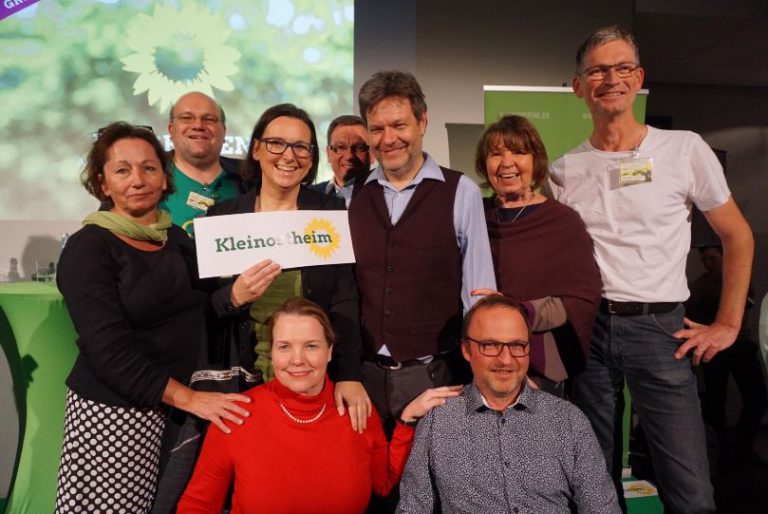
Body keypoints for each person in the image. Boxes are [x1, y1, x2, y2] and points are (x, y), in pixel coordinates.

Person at [549, 26, 754, 513]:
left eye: (622, 68)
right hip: (590, 330)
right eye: (597, 70)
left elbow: (738, 235)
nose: (611, 79)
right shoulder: (563, 169)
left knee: (690, 492)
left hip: (662, 329)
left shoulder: (684, 148)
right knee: (594, 483)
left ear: (638, 79)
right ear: (579, 86)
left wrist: (728, 324)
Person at [54, 122, 251, 513]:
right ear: (103, 183)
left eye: (149, 168)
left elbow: (205, 306)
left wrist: (236, 295)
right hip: (114, 415)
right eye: (122, 170)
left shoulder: (176, 239)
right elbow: (109, 351)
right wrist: (189, 398)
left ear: (166, 179)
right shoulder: (88, 248)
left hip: (170, 411)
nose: (137, 180)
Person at [177, 297, 461, 514]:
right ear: (271, 353)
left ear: (329, 351)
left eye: (311, 346)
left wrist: (407, 421)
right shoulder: (239, 413)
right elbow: (198, 505)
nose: (297, 359)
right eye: (285, 346)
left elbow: (384, 483)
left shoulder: (355, 409)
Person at [207, 103, 372, 432]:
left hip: (312, 380)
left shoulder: (328, 211)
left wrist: (350, 375)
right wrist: (233, 296)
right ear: (256, 149)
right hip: (242, 382)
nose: (288, 155)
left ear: (311, 158)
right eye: (276, 143)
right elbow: (203, 308)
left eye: (300, 147)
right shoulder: (223, 217)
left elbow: (344, 300)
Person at [349, 70, 496, 434]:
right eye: (377, 128)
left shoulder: (461, 192)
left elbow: (478, 293)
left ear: (423, 121)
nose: (389, 139)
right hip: (363, 382)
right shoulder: (351, 197)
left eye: (399, 125)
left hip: (435, 377)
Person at [396, 295, 620, 514]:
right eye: (490, 345)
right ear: (466, 350)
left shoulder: (567, 420)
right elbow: (413, 506)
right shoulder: (439, 421)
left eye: (517, 345)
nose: (505, 359)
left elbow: (601, 507)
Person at [473, 114, 602, 396]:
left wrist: (518, 313)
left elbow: (581, 297)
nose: (507, 163)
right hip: (479, 360)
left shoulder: (561, 221)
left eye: (518, 152)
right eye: (495, 154)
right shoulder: (474, 216)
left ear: (536, 161)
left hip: (540, 364)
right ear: (485, 165)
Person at [685, 245, 767, 470]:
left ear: (723, 257)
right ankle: (720, 454)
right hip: (715, 350)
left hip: (740, 346)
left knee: (757, 398)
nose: (708, 263)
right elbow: (690, 311)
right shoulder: (700, 285)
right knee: (714, 403)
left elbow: (747, 301)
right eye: (705, 260)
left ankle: (741, 450)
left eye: (712, 258)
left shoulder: (737, 279)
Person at [161, 91, 243, 236]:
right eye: (187, 118)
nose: (198, 125)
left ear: (224, 131)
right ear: (171, 130)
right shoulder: (149, 177)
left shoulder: (251, 178)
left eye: (209, 119)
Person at [314, 114, 371, 203]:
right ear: (329, 153)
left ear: (372, 154)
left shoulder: (389, 197)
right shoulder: (308, 197)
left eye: (359, 148)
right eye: (340, 147)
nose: (349, 156)